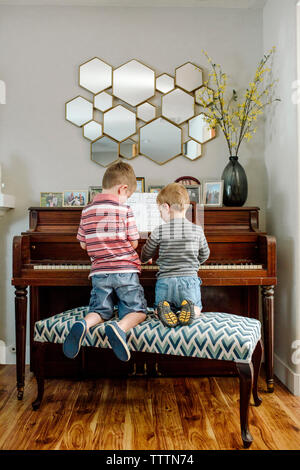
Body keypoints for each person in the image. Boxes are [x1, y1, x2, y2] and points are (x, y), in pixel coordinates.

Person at [63, 161, 147, 361]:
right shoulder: (125, 210)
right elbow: (134, 242)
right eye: (128, 195)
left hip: (99, 273)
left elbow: (83, 245)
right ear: (123, 188)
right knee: (138, 311)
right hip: (125, 270)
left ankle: (85, 324)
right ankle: (119, 328)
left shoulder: (86, 210)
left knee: (100, 310)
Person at [141, 183, 210, 328]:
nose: (160, 215)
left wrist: (146, 258)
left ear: (166, 207)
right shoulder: (197, 230)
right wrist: (193, 262)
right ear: (186, 207)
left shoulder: (159, 230)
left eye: (160, 211)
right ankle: (191, 309)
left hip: (165, 282)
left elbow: (146, 253)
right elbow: (205, 255)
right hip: (188, 281)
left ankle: (162, 308)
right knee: (197, 306)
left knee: (158, 308)